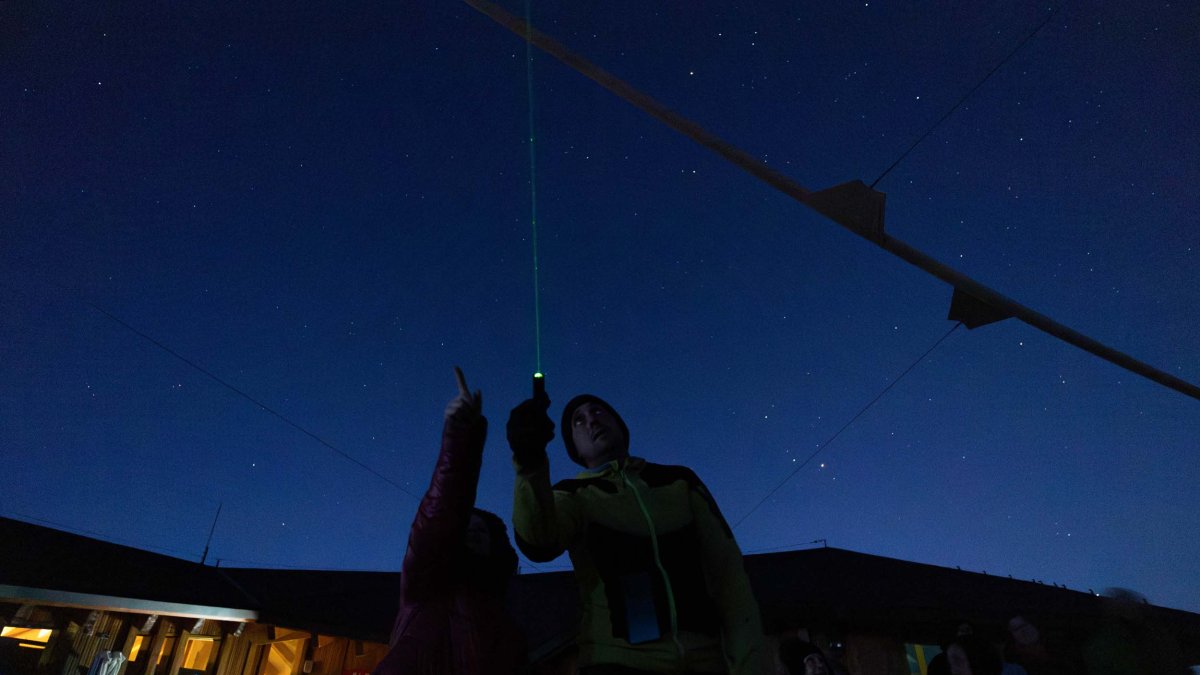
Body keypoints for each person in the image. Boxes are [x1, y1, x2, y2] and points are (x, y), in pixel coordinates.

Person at [507, 391, 763, 674]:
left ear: (621, 426)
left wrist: (749, 664)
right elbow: (539, 540)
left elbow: (728, 573)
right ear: (574, 449)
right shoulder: (573, 495)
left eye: (598, 411)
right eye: (578, 421)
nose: (591, 420)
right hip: (617, 663)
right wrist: (529, 460)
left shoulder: (679, 481)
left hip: (706, 661)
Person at [373, 367, 526, 675]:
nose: (474, 532)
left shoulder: (506, 620)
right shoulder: (425, 583)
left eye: (482, 531)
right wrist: (461, 437)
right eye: (466, 528)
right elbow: (442, 510)